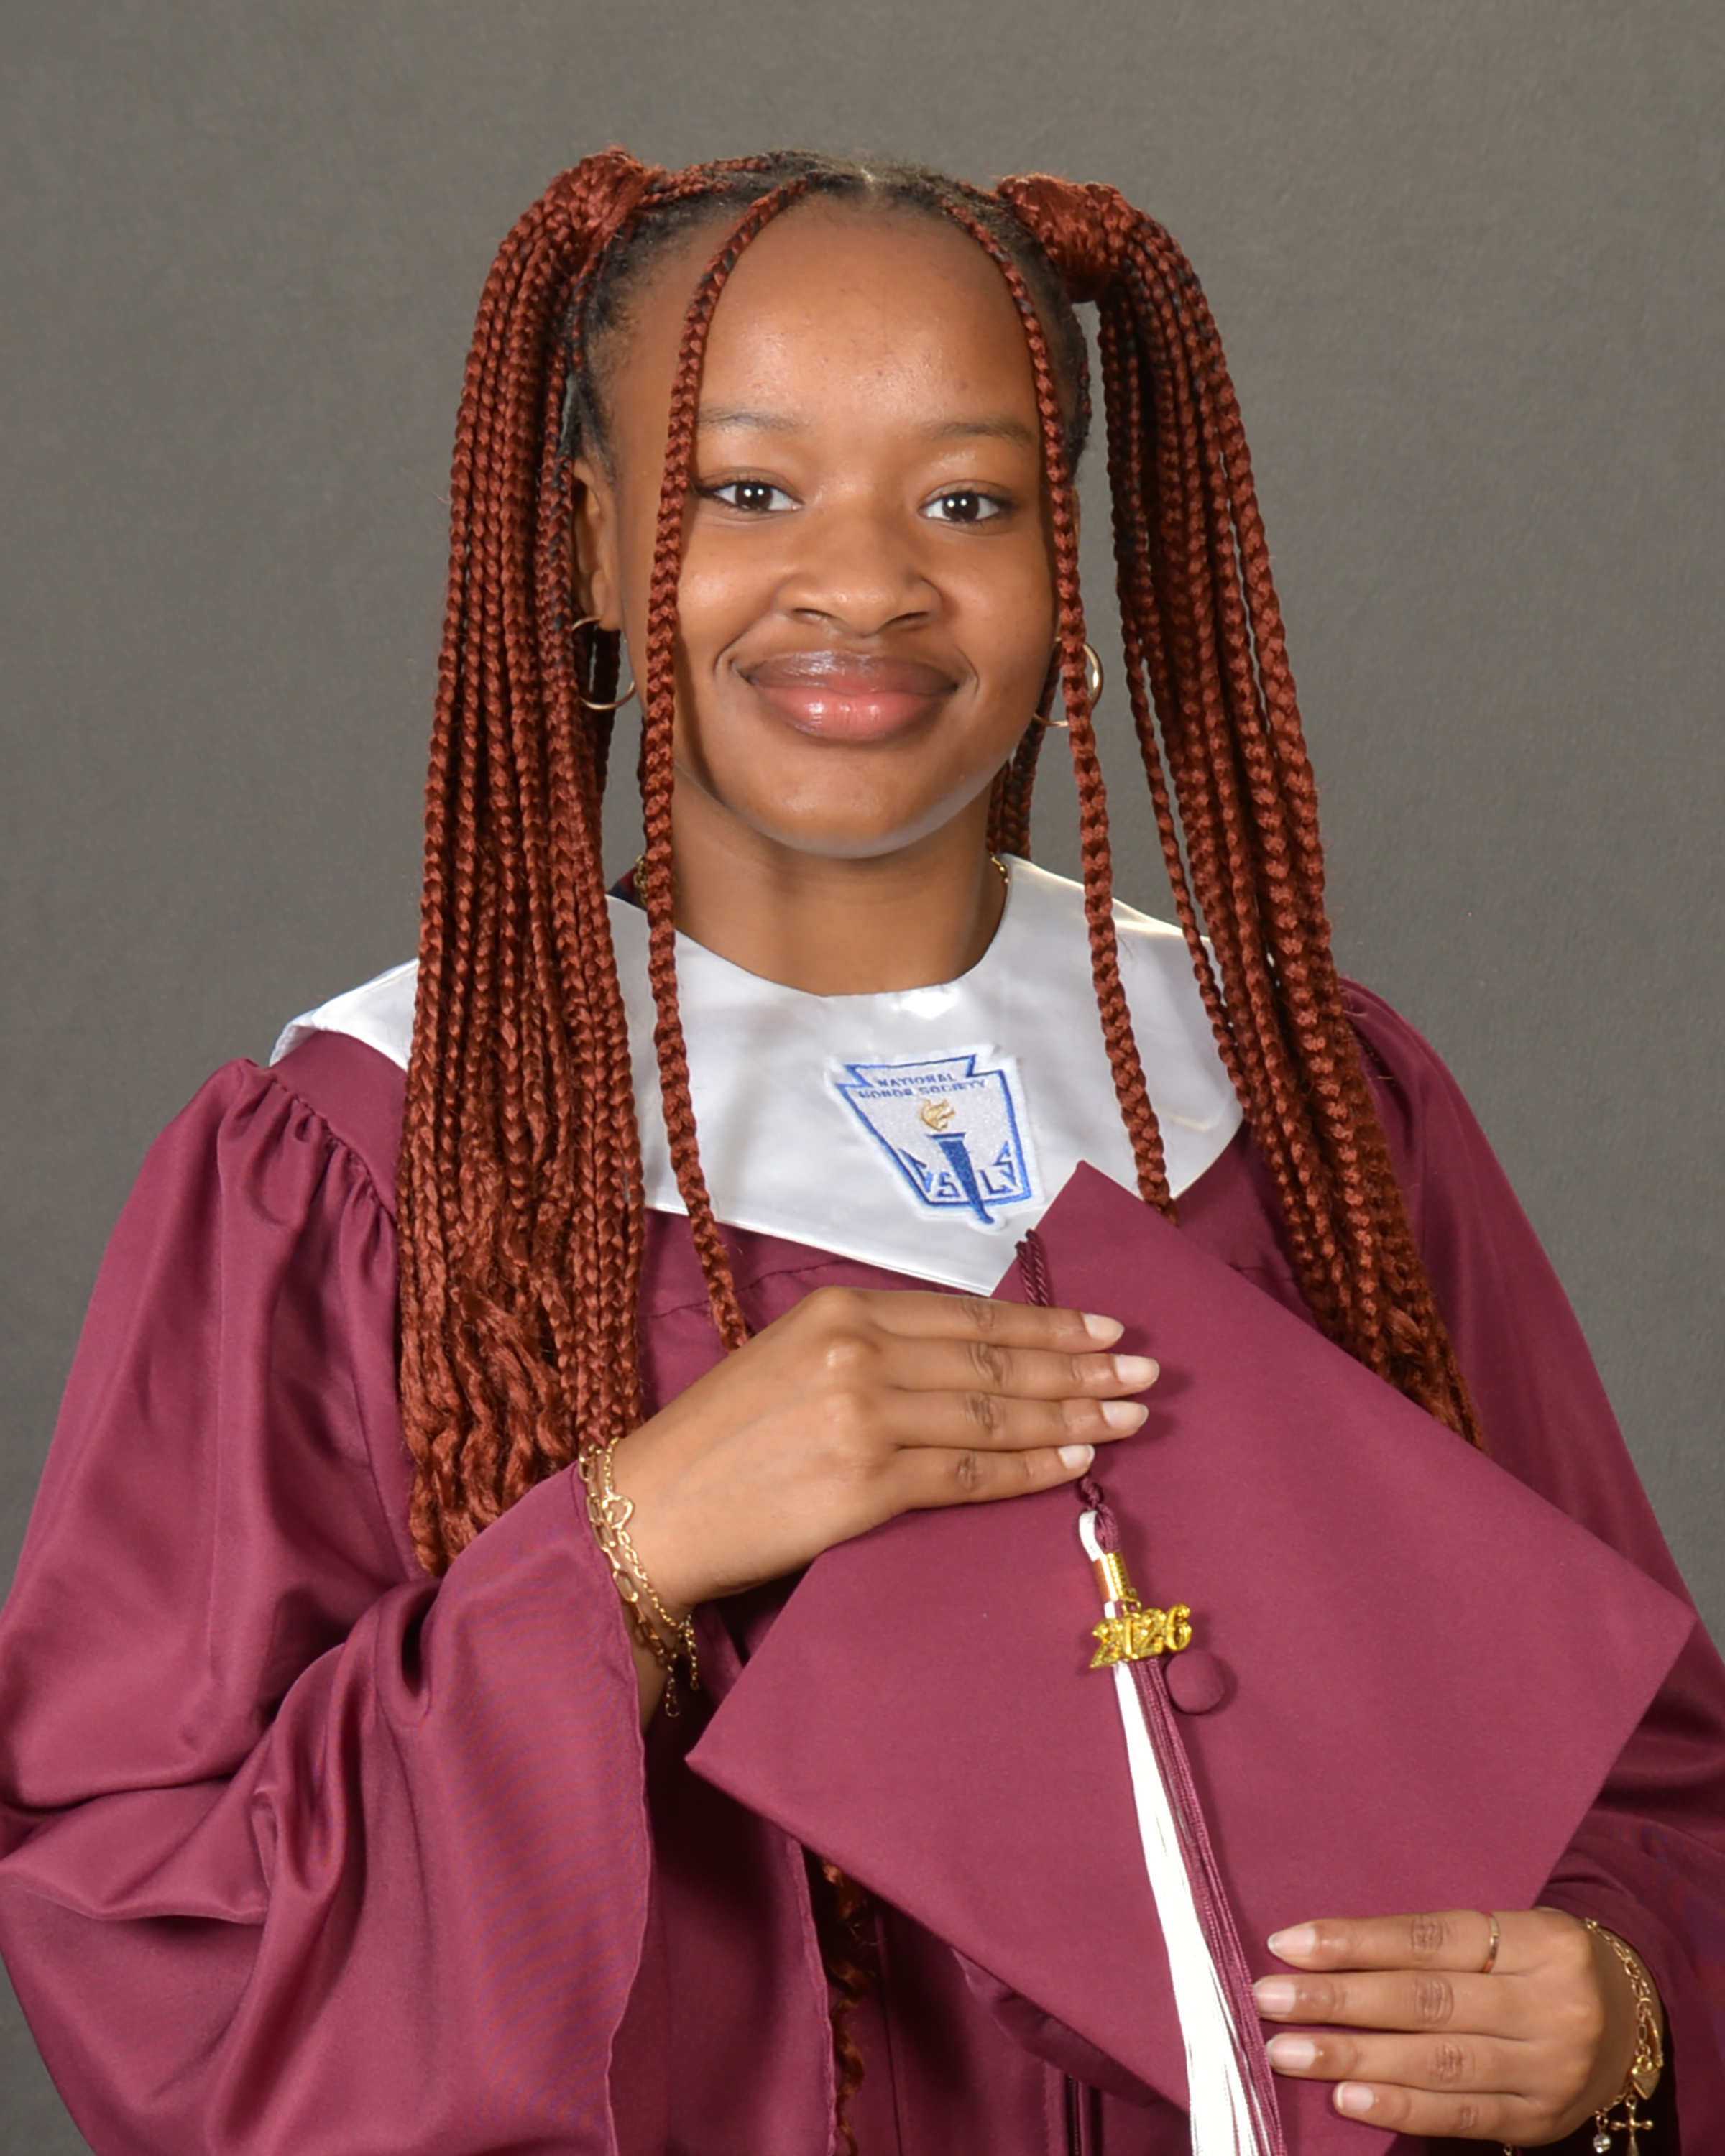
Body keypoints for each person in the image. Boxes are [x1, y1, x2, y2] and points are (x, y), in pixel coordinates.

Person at [0, 147, 1720, 2156]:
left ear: (1068, 564)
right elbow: (147, 1923)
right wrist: (619, 1553)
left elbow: (1647, 1782)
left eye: (969, 502)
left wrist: (1618, 2011)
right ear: (587, 545)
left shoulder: (1302, 1110)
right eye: (748, 491)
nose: (868, 580)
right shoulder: (369, 1157)